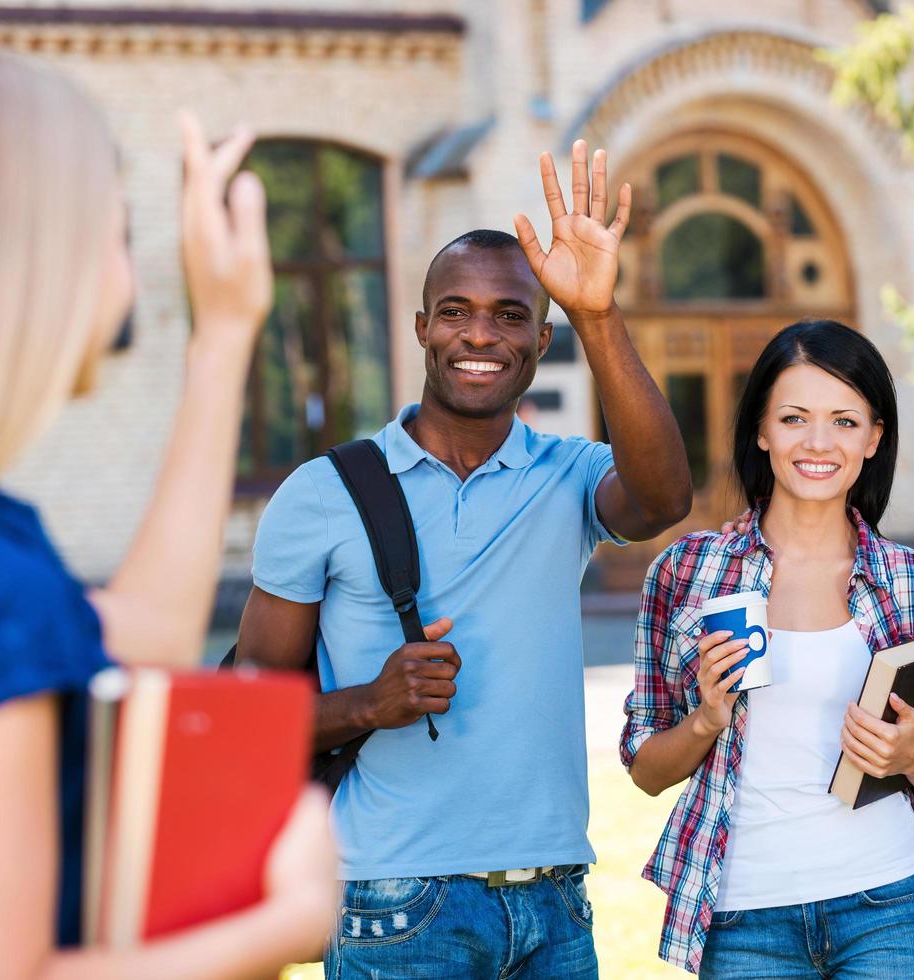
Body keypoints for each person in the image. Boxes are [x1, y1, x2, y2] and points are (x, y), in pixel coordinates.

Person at [0, 45, 337, 978]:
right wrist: (289, 920)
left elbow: (141, 635)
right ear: (44, 263)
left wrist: (226, 330)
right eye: (117, 234)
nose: (130, 274)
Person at [235, 142, 691, 978]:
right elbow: (249, 714)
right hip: (393, 902)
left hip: (554, 899)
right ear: (421, 328)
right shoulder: (321, 492)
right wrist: (371, 701)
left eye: (510, 315)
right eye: (454, 310)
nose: (479, 334)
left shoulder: (569, 474)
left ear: (540, 338)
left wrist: (597, 314)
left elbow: (662, 499)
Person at [622, 320, 914, 977]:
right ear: (760, 431)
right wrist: (705, 719)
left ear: (874, 438)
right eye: (793, 418)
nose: (818, 443)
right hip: (743, 921)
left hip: (892, 907)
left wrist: (913, 755)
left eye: (845, 421)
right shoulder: (688, 574)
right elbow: (645, 770)